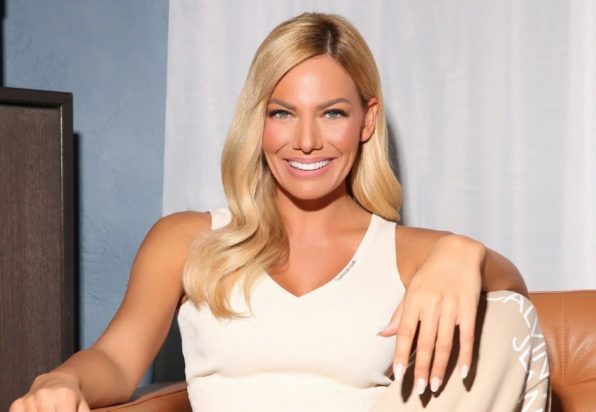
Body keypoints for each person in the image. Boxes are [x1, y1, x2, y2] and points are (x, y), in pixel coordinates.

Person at [10, 12, 550, 412]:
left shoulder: (409, 254)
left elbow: (515, 305)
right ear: (258, 121)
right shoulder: (187, 239)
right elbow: (116, 359)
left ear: (367, 121)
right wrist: (61, 381)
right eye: (283, 113)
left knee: (504, 314)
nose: (306, 140)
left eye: (332, 113)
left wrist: (463, 253)